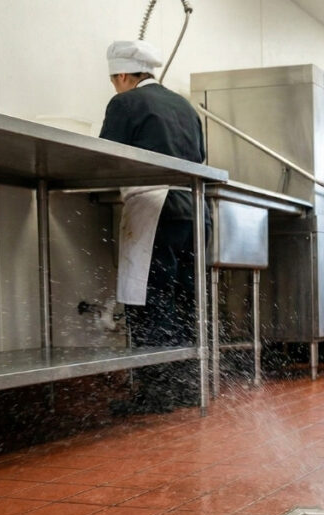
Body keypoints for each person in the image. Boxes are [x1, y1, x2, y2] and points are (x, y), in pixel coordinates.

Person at [99, 40, 207, 415]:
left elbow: (105, 157)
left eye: (115, 80)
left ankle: (157, 394)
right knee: (186, 301)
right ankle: (190, 387)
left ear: (124, 75)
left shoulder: (125, 103)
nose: (116, 87)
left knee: (151, 300)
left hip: (156, 208)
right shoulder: (185, 107)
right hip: (195, 211)